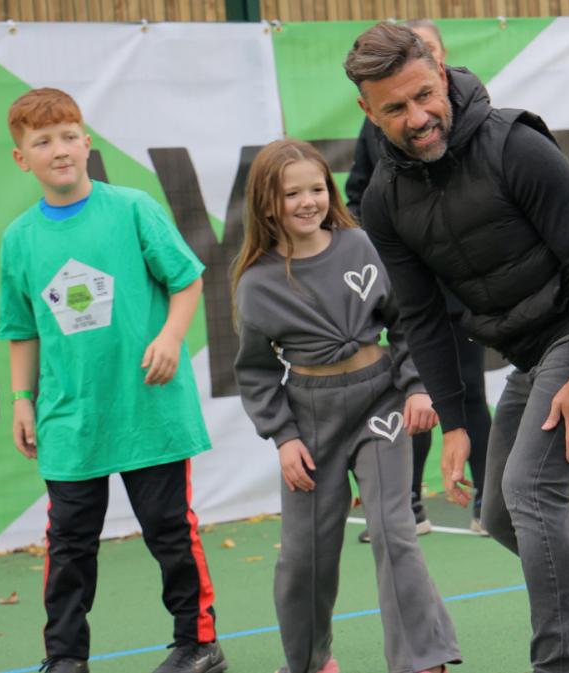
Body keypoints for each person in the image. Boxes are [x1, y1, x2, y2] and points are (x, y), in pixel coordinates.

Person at [343, 23, 569, 673]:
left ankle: (560, 663)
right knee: (499, 511)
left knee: (532, 489)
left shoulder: (515, 144)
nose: (419, 117)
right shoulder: (383, 198)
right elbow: (423, 315)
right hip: (532, 353)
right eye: (396, 108)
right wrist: (457, 421)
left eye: (425, 95)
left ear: (441, 72)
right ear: (367, 111)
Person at [0, 88, 224, 673]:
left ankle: (198, 643)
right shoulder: (19, 239)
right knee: (69, 546)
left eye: (69, 135)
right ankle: (66, 658)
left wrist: (172, 336)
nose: (60, 149)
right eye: (42, 141)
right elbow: (21, 329)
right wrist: (23, 399)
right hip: (70, 418)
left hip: (149, 409)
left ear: (87, 143)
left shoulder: (133, 208)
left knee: (170, 532)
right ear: (22, 158)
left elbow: (186, 280)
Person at [231, 139, 460, 673]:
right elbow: (257, 372)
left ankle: (423, 659)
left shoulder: (359, 246)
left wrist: (416, 387)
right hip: (310, 418)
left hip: (379, 402)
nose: (308, 201)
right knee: (303, 556)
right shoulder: (256, 283)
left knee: (392, 529)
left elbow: (406, 323)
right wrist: (284, 439)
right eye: (292, 193)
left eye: (316, 188)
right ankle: (311, 661)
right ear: (268, 203)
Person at [344, 19, 491, 537]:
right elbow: (358, 196)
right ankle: (408, 505)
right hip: (412, 291)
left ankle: (487, 505)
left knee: (468, 390)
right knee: (417, 393)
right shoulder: (380, 133)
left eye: (426, 54)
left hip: (464, 291)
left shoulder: (481, 129)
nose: (414, 112)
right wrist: (393, 251)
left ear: (441, 64)